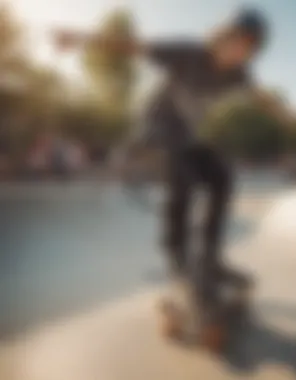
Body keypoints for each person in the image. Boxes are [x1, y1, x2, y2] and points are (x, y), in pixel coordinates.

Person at [54, 7, 269, 314]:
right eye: (236, 42)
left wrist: (283, 112)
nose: (238, 53)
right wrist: (79, 38)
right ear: (223, 36)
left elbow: (260, 94)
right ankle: (179, 261)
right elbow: (132, 45)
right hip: (155, 131)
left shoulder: (241, 75)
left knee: (222, 175)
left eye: (248, 49)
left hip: (189, 136)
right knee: (182, 176)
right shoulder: (188, 52)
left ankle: (210, 258)